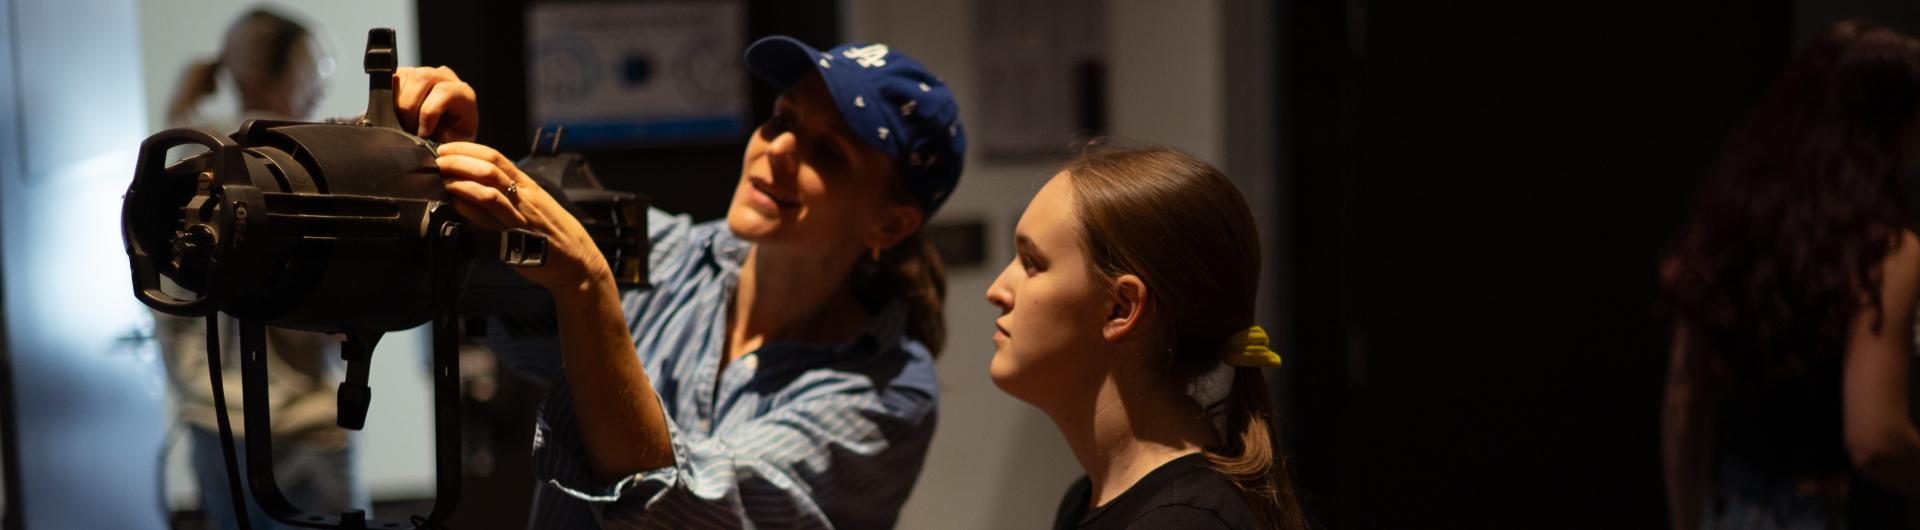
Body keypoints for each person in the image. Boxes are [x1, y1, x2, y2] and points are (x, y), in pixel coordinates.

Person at [391, 36, 963, 528]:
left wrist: (588, 287)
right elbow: (481, 272)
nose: (780, 149)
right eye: (782, 119)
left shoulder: (887, 391)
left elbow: (689, 512)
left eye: (828, 153)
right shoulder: (666, 255)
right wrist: (440, 160)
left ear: (891, 222)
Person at [1662, 20, 1920, 530]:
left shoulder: (1727, 228)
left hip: (1734, 508)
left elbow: (1683, 398)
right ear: (1889, 131)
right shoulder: (1884, 251)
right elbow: (1874, 440)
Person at [983, 142, 1308, 529]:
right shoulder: (1086, 499)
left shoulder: (1181, 523)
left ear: (1121, 308)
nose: (997, 290)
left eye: (1032, 263)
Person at [154, 8, 366, 530]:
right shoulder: (307, 167)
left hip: (212, 426)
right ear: (260, 78)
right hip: (299, 430)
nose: (321, 87)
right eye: (309, 72)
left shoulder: (181, 154)